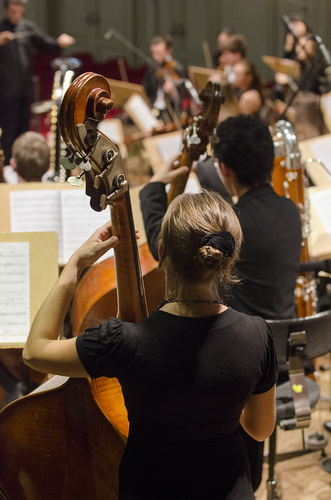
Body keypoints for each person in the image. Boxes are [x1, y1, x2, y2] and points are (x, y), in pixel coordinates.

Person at [23, 190, 277, 499]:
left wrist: (74, 267)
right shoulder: (258, 334)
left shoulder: (124, 341)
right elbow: (260, 429)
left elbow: (35, 351)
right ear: (229, 256)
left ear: (160, 251)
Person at [139, 114, 302, 491]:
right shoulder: (289, 212)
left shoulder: (233, 231)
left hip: (233, 360)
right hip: (276, 354)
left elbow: (167, 249)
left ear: (225, 168)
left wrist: (153, 188)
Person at [0, 0, 75, 166]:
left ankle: (24, 164)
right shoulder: (1, 29)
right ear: (6, 10)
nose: (16, 16)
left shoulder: (27, 27)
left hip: (26, 89)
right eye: (13, 12)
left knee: (24, 129)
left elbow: (45, 43)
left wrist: (58, 42)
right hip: (7, 91)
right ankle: (6, 166)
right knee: (9, 131)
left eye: (19, 12)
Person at [142, 34, 187, 122]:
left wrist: (171, 93)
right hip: (152, 110)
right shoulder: (152, 67)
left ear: (169, 50)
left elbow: (181, 97)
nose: (155, 56)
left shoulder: (178, 69)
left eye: (159, 53)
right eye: (153, 53)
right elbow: (145, 90)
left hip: (169, 114)